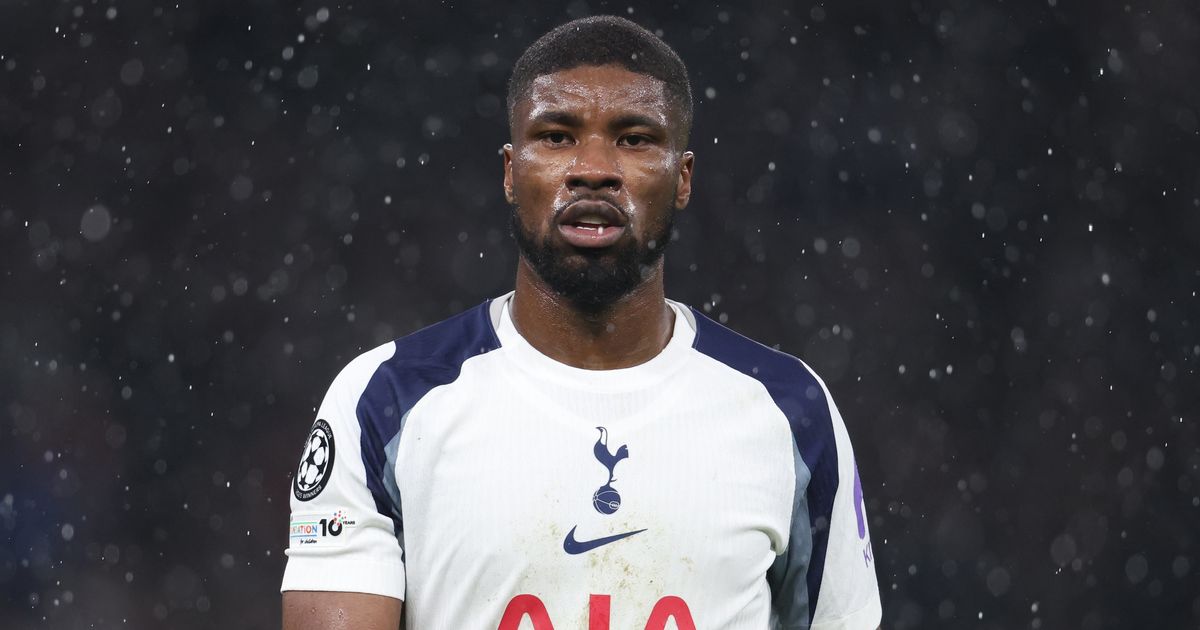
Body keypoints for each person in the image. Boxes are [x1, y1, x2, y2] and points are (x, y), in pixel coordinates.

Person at [280, 15, 881, 630]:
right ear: (511, 172)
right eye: (557, 136)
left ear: (683, 178)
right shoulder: (384, 400)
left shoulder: (789, 410)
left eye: (634, 139)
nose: (593, 167)